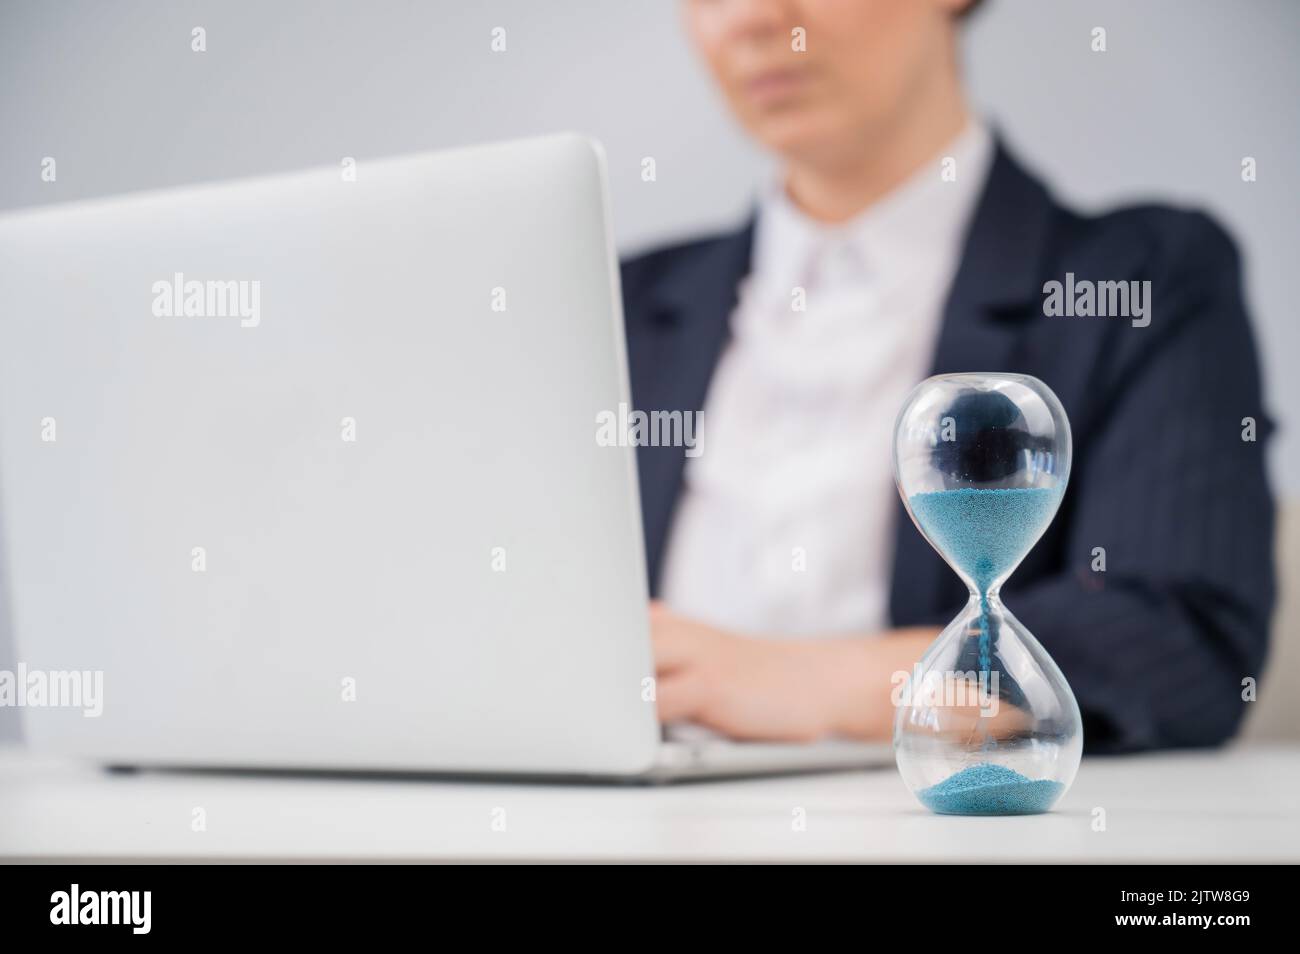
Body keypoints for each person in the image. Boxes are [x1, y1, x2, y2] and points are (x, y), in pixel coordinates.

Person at [620, 0, 1275, 752]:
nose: (753, 18)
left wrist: (819, 682)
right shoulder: (620, 302)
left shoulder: (1137, 283)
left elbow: (1184, 636)